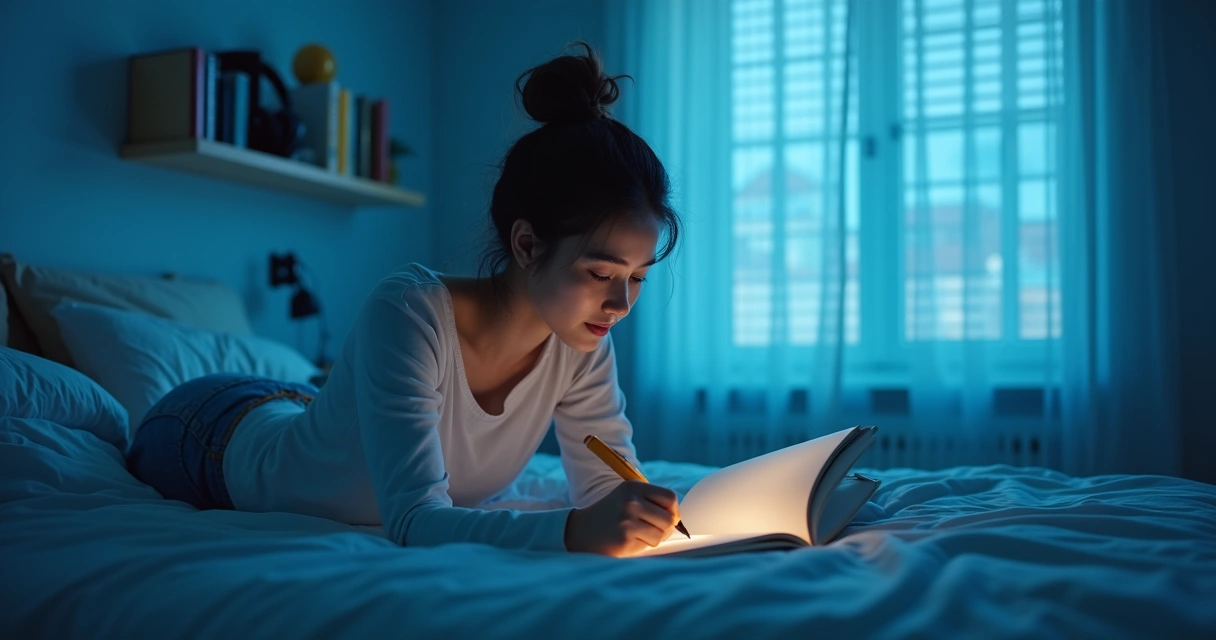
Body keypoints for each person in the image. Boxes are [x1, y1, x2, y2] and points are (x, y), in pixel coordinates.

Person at [126, 42, 684, 557]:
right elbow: (415, 520)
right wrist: (573, 530)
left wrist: (631, 511)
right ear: (527, 244)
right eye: (601, 272)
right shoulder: (411, 313)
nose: (620, 304)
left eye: (637, 278)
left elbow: (608, 484)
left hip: (298, 406)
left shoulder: (581, 339)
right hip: (208, 431)